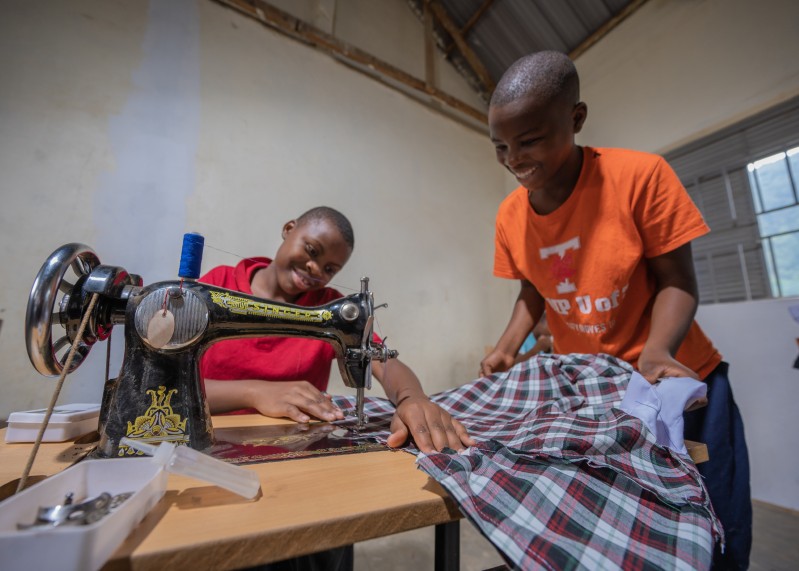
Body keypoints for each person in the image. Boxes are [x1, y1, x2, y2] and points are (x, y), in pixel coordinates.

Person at [478, 51, 751, 570]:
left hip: (675, 386)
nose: (514, 159)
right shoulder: (510, 215)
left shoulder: (639, 176)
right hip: (596, 395)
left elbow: (678, 282)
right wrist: (506, 348)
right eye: (500, 146)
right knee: (621, 532)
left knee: (713, 522)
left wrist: (657, 351)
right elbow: (533, 289)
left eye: (529, 140)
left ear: (576, 119)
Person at [200, 206, 475, 455]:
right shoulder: (217, 284)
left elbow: (383, 361)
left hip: (293, 446)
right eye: (312, 250)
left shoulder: (331, 307)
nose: (315, 268)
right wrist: (254, 392)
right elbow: (175, 386)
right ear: (289, 229)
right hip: (208, 441)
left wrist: (411, 398)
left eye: (330, 268)